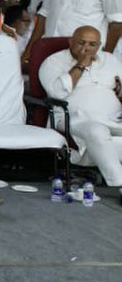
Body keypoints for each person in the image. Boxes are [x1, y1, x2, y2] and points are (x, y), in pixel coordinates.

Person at [39, 25, 122, 195]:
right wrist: (81, 65)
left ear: (99, 46)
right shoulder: (53, 62)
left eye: (92, 45)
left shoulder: (111, 60)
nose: (86, 49)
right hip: (74, 118)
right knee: (96, 131)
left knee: (101, 137)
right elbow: (56, 93)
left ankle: (99, 154)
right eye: (81, 43)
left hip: (114, 119)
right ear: (71, 41)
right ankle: (119, 183)